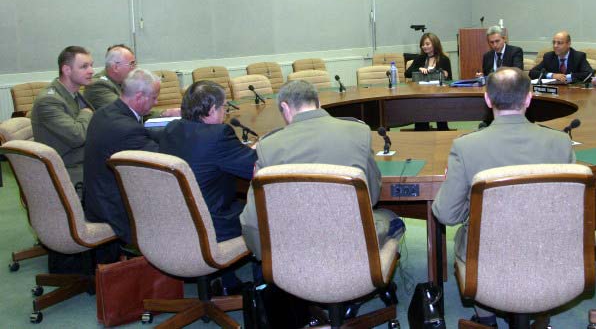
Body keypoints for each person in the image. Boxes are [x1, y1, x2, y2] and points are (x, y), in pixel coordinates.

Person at [432, 67, 574, 326]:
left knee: (468, 234)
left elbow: (446, 215)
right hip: (547, 249)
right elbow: (571, 212)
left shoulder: (466, 147)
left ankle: (486, 317)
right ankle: (538, 310)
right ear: (529, 98)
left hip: (487, 256)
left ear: (487, 99)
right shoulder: (561, 142)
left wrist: (457, 187)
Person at [240, 80, 404, 258]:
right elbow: (372, 195)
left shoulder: (267, 146)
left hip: (294, 250)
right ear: (318, 102)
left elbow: (251, 219)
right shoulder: (359, 131)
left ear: (285, 107)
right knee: (390, 217)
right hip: (351, 244)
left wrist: (269, 258)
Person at [159, 81, 257, 242]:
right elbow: (254, 168)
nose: (225, 112)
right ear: (212, 110)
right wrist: (260, 148)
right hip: (213, 225)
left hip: (176, 221)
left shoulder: (172, 128)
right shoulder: (218, 135)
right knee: (267, 210)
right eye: (224, 107)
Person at [83, 68, 161, 260]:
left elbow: (144, 135)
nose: (156, 103)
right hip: (114, 208)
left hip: (96, 198)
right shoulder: (126, 129)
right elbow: (162, 161)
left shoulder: (104, 113)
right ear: (140, 97)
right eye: (154, 98)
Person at [30, 46, 95, 185]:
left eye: (91, 65)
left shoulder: (72, 94)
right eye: (84, 66)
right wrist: (86, 113)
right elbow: (77, 136)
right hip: (66, 169)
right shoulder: (49, 100)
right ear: (67, 70)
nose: (91, 71)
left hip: (82, 159)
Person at [84, 44, 180, 117]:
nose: (135, 68)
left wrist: (166, 113)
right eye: (132, 64)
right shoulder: (97, 85)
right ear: (116, 67)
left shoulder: (121, 81)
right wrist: (164, 113)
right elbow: (129, 110)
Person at [405, 32, 453, 130]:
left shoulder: (444, 59)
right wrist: (419, 69)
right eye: (423, 45)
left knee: (441, 122)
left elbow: (449, 80)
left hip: (439, 96)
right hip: (421, 96)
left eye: (427, 44)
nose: (424, 47)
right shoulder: (420, 58)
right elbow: (407, 73)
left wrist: (445, 74)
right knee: (421, 123)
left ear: (435, 44)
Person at [529, 30, 594, 83]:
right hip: (553, 92)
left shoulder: (578, 56)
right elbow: (532, 73)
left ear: (568, 44)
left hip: (573, 92)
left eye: (559, 43)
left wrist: (567, 77)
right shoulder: (549, 56)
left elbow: (589, 74)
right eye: (554, 42)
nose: (555, 46)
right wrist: (552, 75)